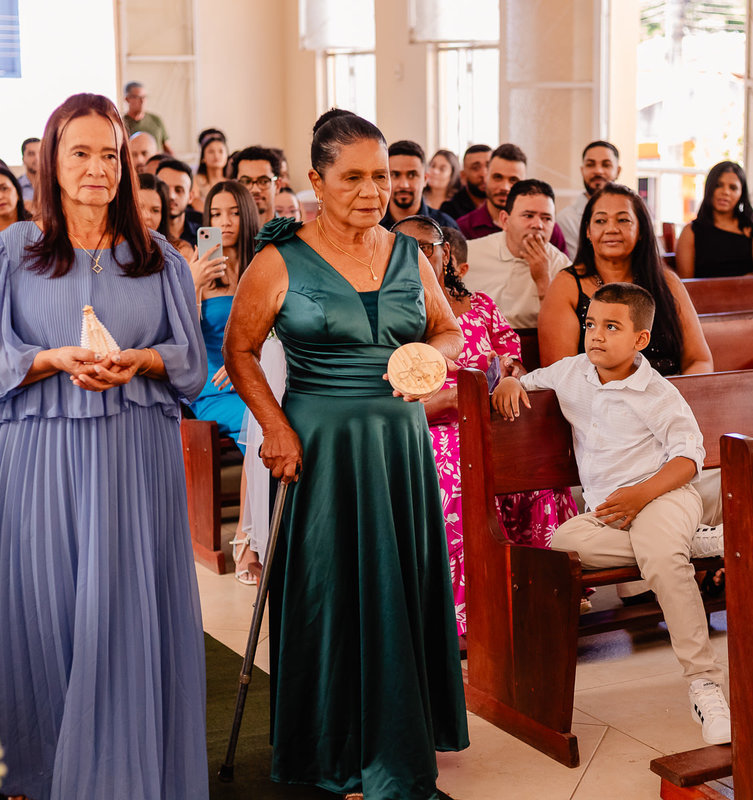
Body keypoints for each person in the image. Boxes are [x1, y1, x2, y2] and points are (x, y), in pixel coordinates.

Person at [0, 92, 209, 799]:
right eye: (79, 153)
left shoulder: (160, 260)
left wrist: (139, 361)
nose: (96, 169)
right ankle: (31, 762)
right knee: (39, 602)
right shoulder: (14, 253)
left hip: (130, 456)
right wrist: (54, 359)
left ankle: (117, 768)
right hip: (36, 456)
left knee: (116, 611)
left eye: (110, 154)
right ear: (50, 163)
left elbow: (188, 363)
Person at [222, 108, 468, 799]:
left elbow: (448, 332)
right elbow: (238, 351)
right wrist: (272, 426)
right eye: (353, 177)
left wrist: (427, 360)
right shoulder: (278, 260)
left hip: (397, 445)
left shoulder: (408, 254)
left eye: (382, 176)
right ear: (316, 180)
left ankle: (395, 742)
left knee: (398, 589)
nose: (372, 190)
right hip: (317, 445)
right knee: (329, 593)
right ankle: (333, 750)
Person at [493, 281, 732, 744]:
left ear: (640, 339)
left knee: (665, 561)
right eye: (590, 324)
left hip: (663, 496)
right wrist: (508, 380)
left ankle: (704, 685)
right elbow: (526, 379)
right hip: (608, 513)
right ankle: (693, 540)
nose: (596, 335)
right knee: (563, 542)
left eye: (611, 326)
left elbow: (689, 458)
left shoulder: (655, 392)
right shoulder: (571, 373)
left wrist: (642, 495)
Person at [395, 216, 575, 635]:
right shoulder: (390, 318)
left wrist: (512, 376)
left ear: (446, 255)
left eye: (427, 246)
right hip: (435, 426)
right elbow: (401, 396)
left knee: (536, 458)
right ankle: (466, 609)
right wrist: (458, 401)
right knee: (456, 467)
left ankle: (541, 593)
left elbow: (510, 355)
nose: (417, 256)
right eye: (404, 248)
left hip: (495, 416)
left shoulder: (479, 305)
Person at [538, 184, 713, 374]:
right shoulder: (567, 285)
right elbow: (561, 374)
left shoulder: (667, 282)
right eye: (600, 221)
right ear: (588, 231)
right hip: (596, 400)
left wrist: (675, 399)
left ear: (641, 231)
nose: (611, 228)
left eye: (623, 220)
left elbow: (700, 361)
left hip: (668, 397)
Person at [185, 179, 260, 582]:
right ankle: (246, 544)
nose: (225, 222)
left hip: (251, 373)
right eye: (215, 214)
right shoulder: (193, 262)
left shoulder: (263, 262)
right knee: (259, 420)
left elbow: (274, 330)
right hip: (208, 381)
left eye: (233, 213)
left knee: (275, 413)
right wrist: (194, 284)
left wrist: (246, 363)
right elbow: (183, 337)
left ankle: (279, 533)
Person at [464, 179, 571, 329]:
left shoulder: (563, 267)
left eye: (546, 219)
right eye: (528, 216)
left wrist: (543, 280)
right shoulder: (470, 254)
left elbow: (564, 328)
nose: (538, 225)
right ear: (505, 220)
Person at [456, 143, 567, 252]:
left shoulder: (546, 228)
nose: (505, 187)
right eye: (497, 177)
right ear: (486, 178)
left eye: (513, 180)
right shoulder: (464, 228)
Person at [675, 161, 753, 278]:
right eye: (718, 185)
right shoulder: (690, 232)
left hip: (750, 293)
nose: (725, 192)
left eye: (733, 188)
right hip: (704, 295)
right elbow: (685, 285)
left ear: (741, 193)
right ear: (709, 188)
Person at [555, 141, 622, 258]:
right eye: (590, 165)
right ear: (582, 171)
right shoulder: (566, 219)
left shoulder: (633, 214)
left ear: (618, 171)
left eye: (606, 165)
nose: (598, 171)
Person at [380, 139, 458, 229]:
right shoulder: (372, 224)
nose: (404, 185)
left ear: (425, 179)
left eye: (412, 175)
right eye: (395, 175)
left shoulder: (446, 226)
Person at [228, 145, 279, 226]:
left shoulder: (293, 235)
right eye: (246, 181)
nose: (255, 190)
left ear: (277, 185)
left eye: (263, 181)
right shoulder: (225, 233)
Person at [155, 158, 201, 248]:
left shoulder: (202, 236)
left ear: (191, 197)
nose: (171, 196)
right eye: (166, 189)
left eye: (179, 190)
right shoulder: (144, 236)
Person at [439, 143, 490, 221]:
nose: (484, 174)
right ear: (463, 176)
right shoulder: (450, 210)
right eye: (475, 168)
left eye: (489, 166)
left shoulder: (505, 203)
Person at [122, 80, 174, 153]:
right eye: (138, 97)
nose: (142, 101)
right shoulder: (121, 124)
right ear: (127, 99)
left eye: (144, 97)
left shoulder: (156, 120)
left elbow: (167, 148)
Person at [192, 134, 227, 213]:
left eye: (221, 151)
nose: (216, 155)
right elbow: (195, 202)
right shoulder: (196, 180)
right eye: (211, 152)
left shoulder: (232, 182)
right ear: (203, 157)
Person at [17, 137, 40, 203]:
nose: (37, 158)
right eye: (31, 154)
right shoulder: (15, 187)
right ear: (23, 158)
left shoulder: (55, 184)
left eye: (41, 153)